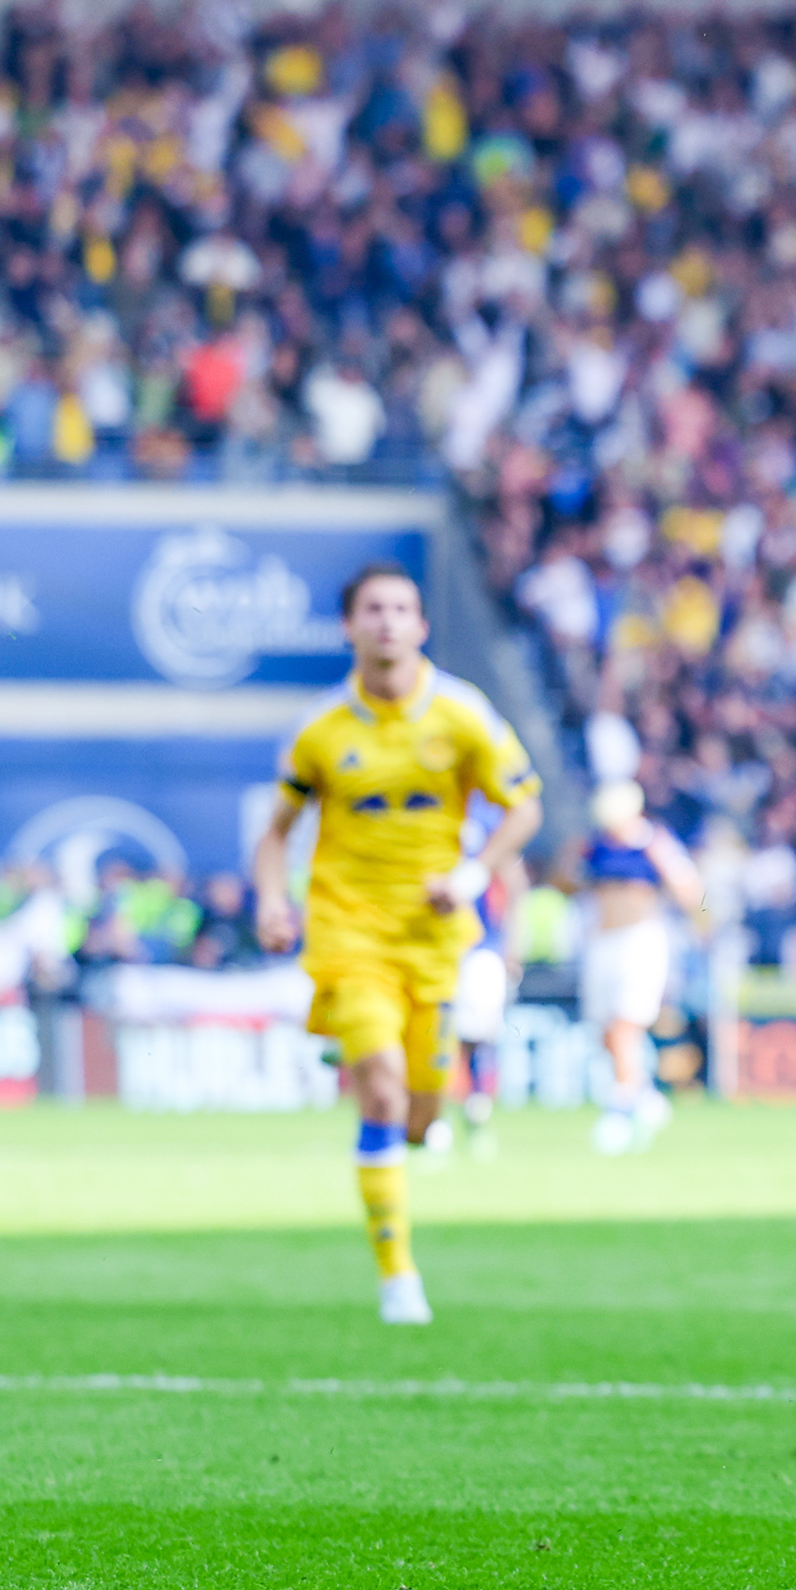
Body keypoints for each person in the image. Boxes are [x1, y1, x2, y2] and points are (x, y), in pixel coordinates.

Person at [254, 561, 542, 1326]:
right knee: (379, 1085)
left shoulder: (461, 714)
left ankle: (399, 1094)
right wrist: (269, 900)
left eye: (401, 609)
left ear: (421, 625)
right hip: (349, 934)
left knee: (419, 1115)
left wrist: (475, 872)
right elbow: (275, 833)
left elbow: (525, 806)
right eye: (372, 609)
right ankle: (398, 1277)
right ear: (349, 625)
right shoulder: (322, 729)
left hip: (435, 940)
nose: (387, 621)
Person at [580, 780, 704, 1156]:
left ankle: (619, 1111)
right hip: (603, 941)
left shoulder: (654, 842)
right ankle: (646, 1100)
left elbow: (689, 889)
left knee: (624, 1025)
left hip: (640, 941)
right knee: (606, 1031)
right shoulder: (596, 845)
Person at [441, 848, 524, 1159]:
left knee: (476, 1039)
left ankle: (476, 1114)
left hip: (481, 949)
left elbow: (515, 884)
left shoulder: (488, 828)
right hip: (437, 948)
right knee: (437, 1036)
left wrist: (513, 943)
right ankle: (438, 1119)